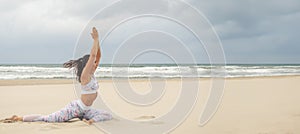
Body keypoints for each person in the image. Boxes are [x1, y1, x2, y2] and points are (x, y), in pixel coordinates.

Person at [3, 27, 112, 125]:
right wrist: (96, 39)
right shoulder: (85, 76)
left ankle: (89, 120)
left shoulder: (92, 73)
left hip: (87, 110)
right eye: (93, 63)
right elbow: (93, 56)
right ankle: (19, 118)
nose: (96, 64)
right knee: (47, 118)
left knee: (107, 115)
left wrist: (97, 42)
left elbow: (97, 55)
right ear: (87, 65)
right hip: (76, 109)